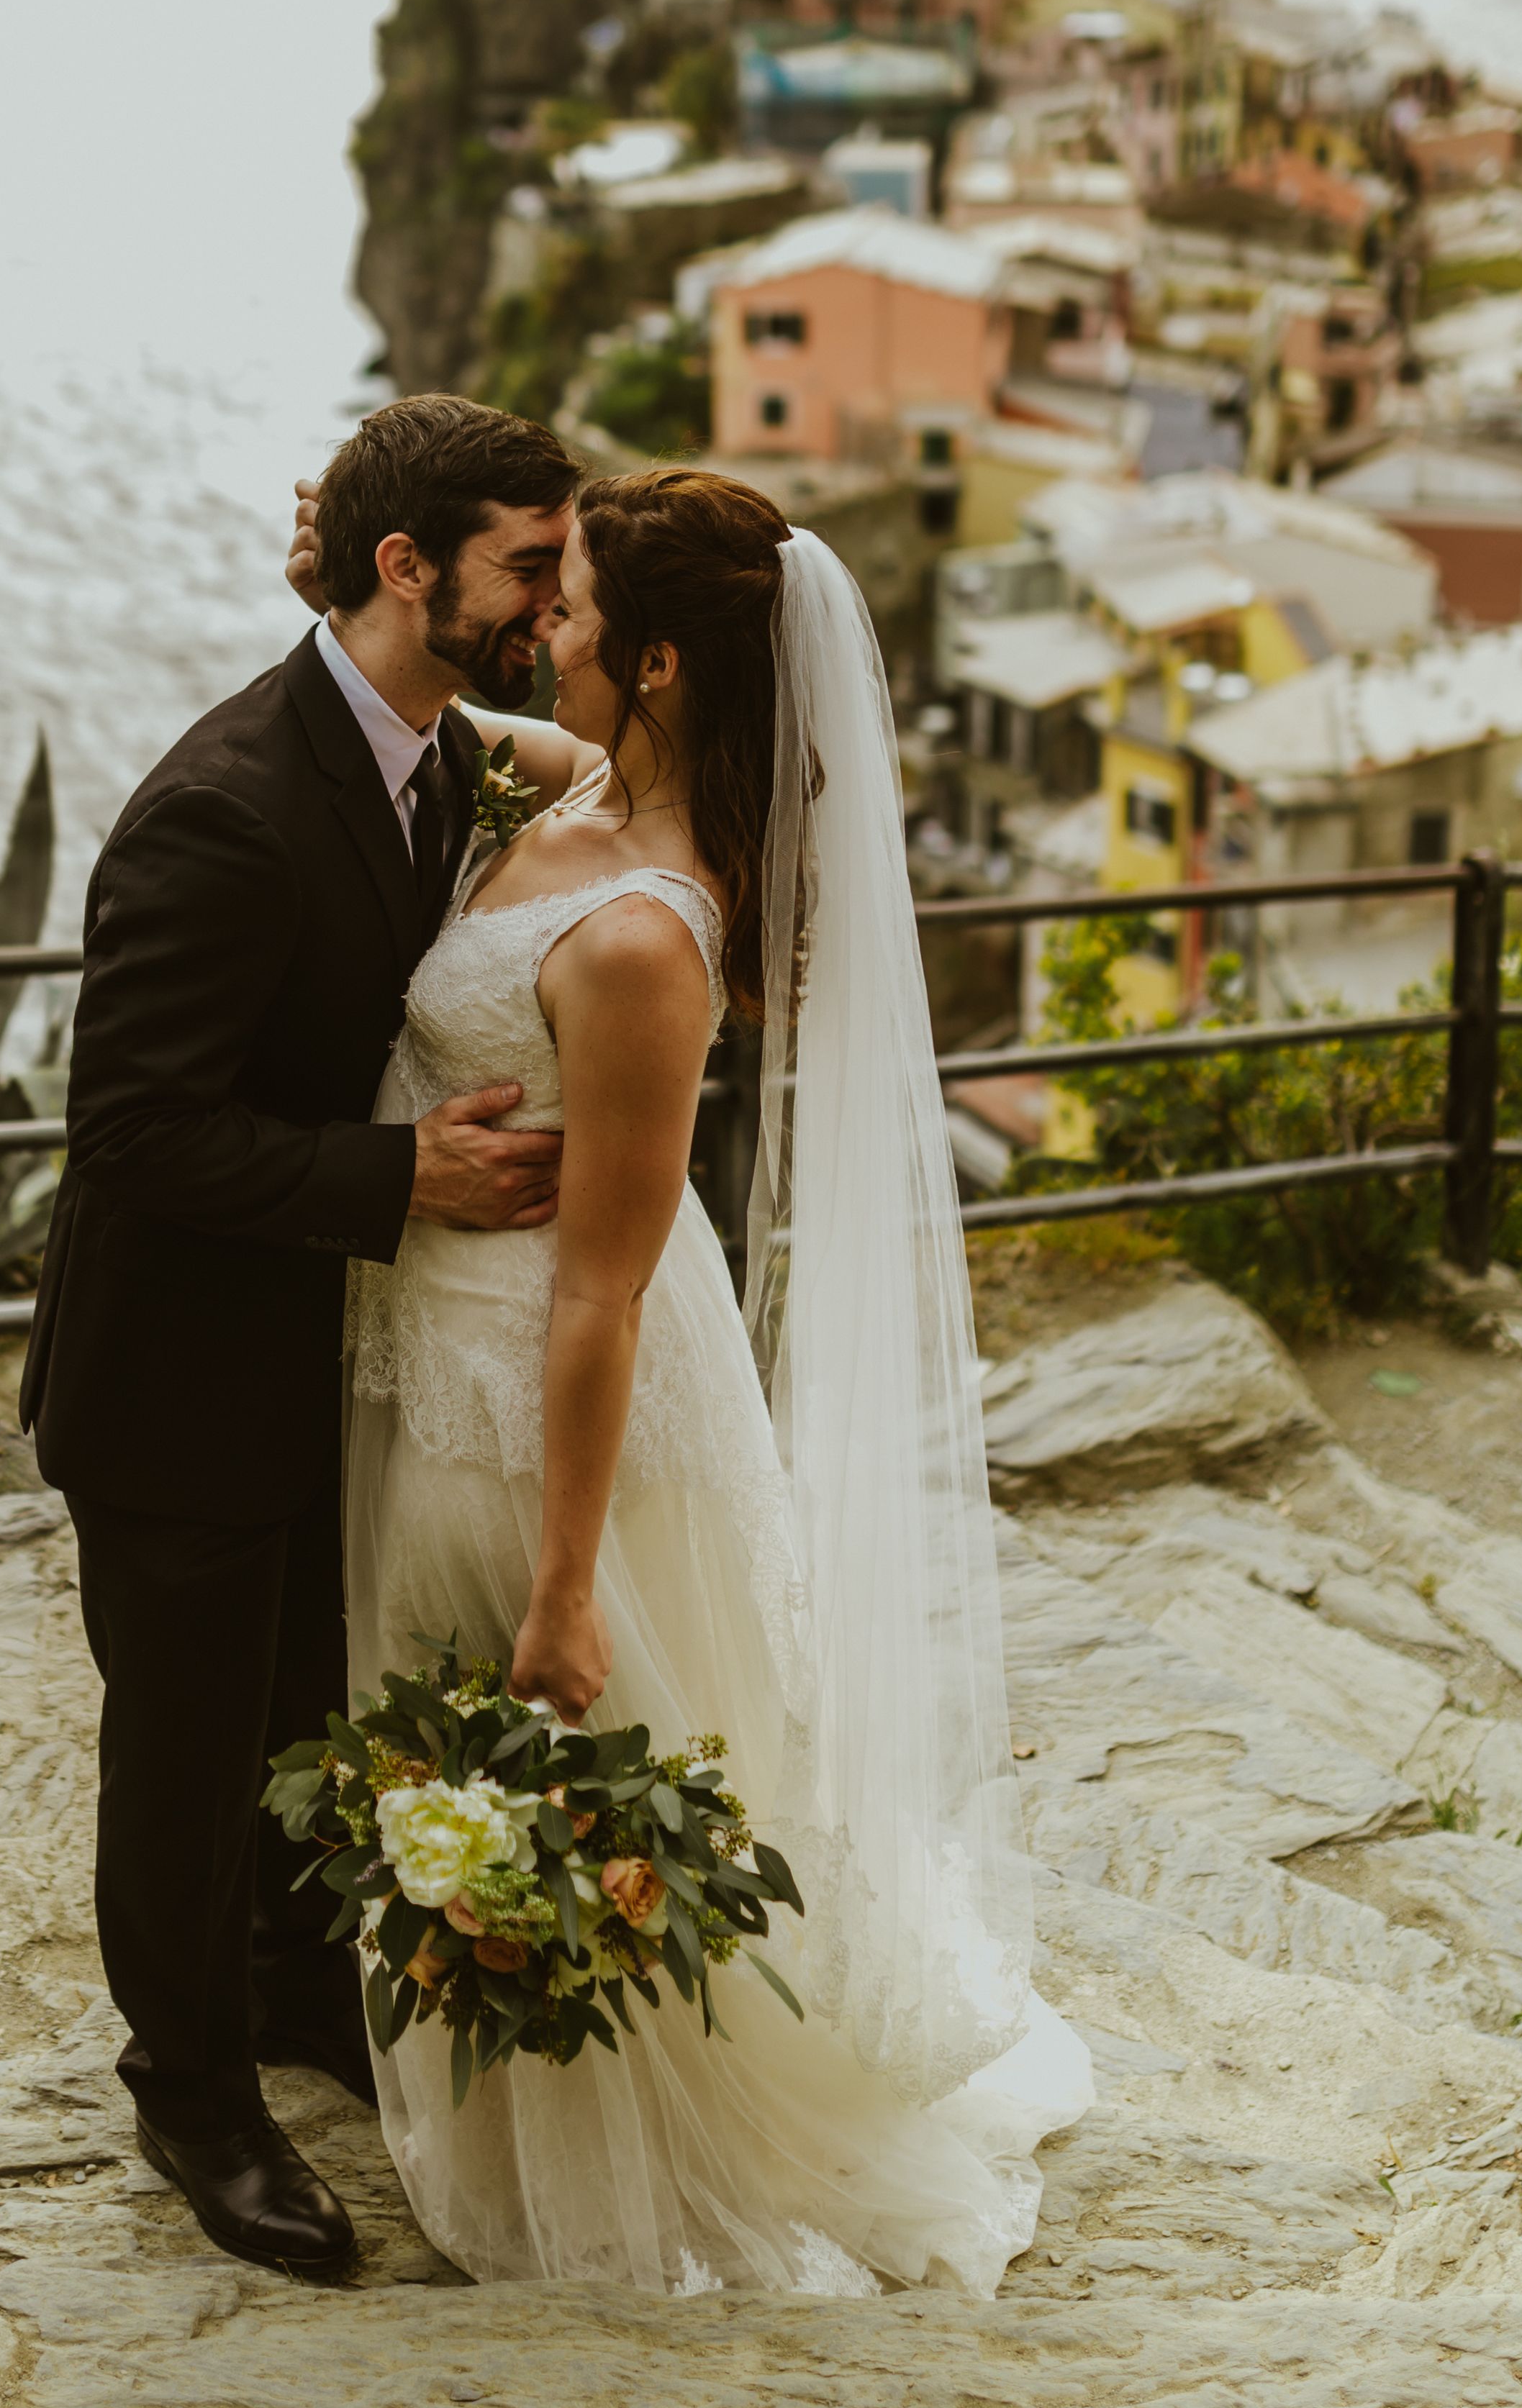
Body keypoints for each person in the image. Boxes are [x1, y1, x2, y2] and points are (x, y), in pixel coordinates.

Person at [289, 460, 1093, 2293]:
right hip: (442, 1350)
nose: (537, 625)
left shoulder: (649, 931)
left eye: (567, 609)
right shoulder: (583, 788)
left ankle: (625, 2143)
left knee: (559, 1726)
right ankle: (501, 2081)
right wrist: (338, 602)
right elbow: (457, 716)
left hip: (548, 1411)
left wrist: (571, 1584)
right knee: (456, 1727)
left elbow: (605, 1296)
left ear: (653, 667)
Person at [22, 394, 583, 2276]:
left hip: (316, 1357)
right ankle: (188, 2082)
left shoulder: (438, 747)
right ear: (410, 567)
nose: (553, 595)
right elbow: (132, 1129)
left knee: (296, 1715)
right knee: (182, 1750)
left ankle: (280, 1989)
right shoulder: (227, 805)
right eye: (529, 561)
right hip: (177, 1377)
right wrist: (398, 1173)